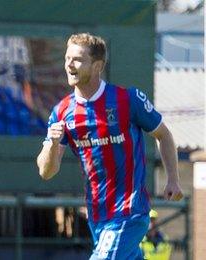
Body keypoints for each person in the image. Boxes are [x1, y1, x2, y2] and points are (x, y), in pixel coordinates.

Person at [36, 33, 183, 260]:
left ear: (97, 66)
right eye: (67, 58)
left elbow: (163, 135)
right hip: (97, 215)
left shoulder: (127, 100)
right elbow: (46, 172)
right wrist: (52, 144)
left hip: (129, 211)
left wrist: (173, 178)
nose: (69, 65)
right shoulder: (62, 112)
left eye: (77, 59)